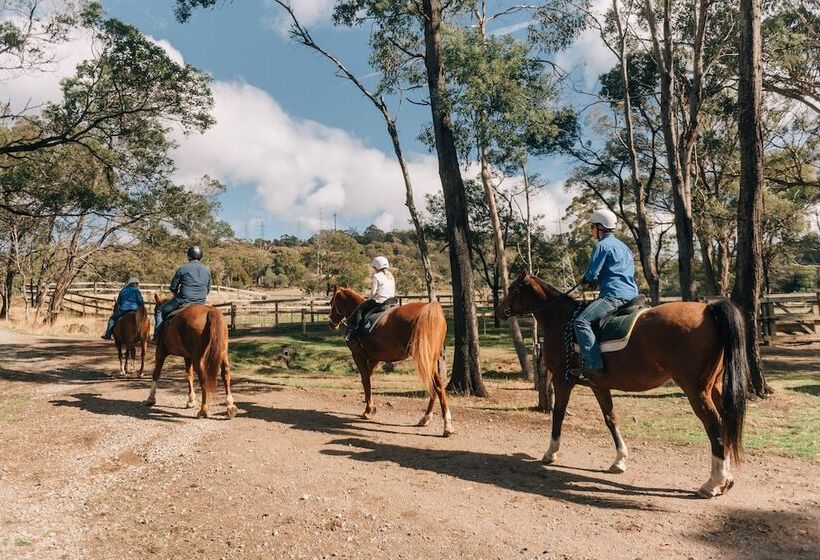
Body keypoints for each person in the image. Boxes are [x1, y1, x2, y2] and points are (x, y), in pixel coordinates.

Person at [571, 208, 639, 382]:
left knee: (581, 321)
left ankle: (593, 366)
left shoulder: (601, 246)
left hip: (614, 295)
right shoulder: (624, 247)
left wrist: (585, 279)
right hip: (632, 294)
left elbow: (592, 274)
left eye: (592, 227)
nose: (591, 230)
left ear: (599, 227)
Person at [153, 245, 212, 340]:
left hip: (183, 300)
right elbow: (208, 289)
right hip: (201, 302)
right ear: (201, 256)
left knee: (160, 310)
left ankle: (158, 335)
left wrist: (175, 292)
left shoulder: (182, 268)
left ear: (189, 256)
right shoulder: (207, 271)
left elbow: (173, 287)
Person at [345, 256, 396, 342]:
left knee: (360, 309)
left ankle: (354, 333)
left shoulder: (376, 276)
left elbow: (373, 292)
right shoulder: (391, 276)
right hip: (392, 301)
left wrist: (368, 299)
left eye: (374, 267)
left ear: (376, 266)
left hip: (380, 302)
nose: (374, 269)